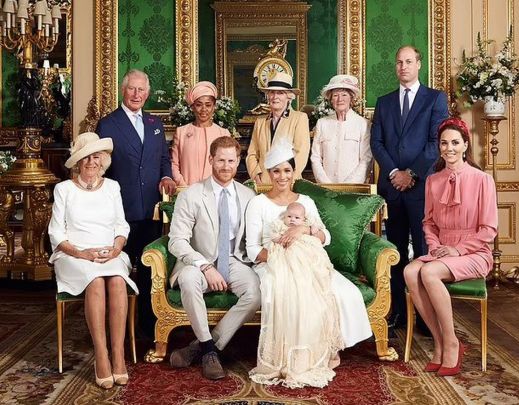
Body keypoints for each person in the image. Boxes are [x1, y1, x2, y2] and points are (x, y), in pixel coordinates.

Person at [245, 142, 372, 388]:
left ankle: (322, 351)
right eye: (276, 171)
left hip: (309, 261)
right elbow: (252, 249)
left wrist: (304, 229)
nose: (282, 176)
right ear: (269, 173)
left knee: (340, 291)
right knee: (289, 293)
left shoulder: (305, 201)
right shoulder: (258, 203)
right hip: (272, 262)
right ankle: (291, 358)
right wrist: (283, 259)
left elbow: (326, 237)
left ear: (294, 172)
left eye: (287, 170)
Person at [404, 118, 497, 376]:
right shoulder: (433, 180)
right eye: (444, 143)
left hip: (474, 252)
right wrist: (435, 247)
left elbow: (489, 229)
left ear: (465, 145)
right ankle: (439, 342)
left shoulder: (483, 180)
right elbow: (429, 223)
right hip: (442, 250)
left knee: (429, 272)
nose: (449, 148)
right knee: (410, 271)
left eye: (455, 142)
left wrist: (457, 250)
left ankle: (452, 342)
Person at [48, 132, 138, 389]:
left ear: (103, 160)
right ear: (78, 162)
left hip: (110, 253)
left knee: (117, 280)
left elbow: (121, 225)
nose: (91, 162)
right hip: (73, 254)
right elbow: (56, 233)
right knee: (96, 280)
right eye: (85, 157)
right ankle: (101, 355)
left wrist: (116, 248)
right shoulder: (64, 189)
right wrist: (82, 253)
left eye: (96, 157)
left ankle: (118, 355)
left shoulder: (112, 187)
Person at [168, 136, 260, 380]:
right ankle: (209, 351)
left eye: (231, 161)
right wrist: (205, 266)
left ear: (238, 161)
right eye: (220, 160)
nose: (226, 166)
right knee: (188, 279)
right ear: (210, 160)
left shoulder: (249, 196)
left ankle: (204, 347)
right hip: (199, 261)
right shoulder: (191, 195)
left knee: (255, 293)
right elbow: (176, 241)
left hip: (235, 260)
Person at [370, 46, 448, 330]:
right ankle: (399, 313)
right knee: (395, 252)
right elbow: (377, 142)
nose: (403, 66)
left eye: (408, 61)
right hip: (392, 188)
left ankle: (427, 318)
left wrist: (411, 174)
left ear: (418, 64)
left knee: (425, 250)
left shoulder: (435, 99)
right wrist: (394, 173)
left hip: (421, 188)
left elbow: (435, 142)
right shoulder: (384, 102)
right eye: (399, 62)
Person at [96, 69, 176, 338]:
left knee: (149, 269)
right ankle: (117, 327)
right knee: (118, 269)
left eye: (141, 90)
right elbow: (101, 168)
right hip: (120, 210)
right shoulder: (108, 124)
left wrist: (166, 176)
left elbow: (163, 159)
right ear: (123, 90)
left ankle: (148, 326)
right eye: (132, 88)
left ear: (147, 93)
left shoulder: (155, 123)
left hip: (150, 209)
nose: (136, 94)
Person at [246, 72, 310, 184]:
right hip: (263, 183)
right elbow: (252, 153)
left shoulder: (299, 118)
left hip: (288, 183)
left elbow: (301, 153)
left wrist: (288, 179)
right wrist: (256, 175)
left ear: (289, 97)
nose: (275, 97)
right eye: (272, 92)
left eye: (280, 93)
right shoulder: (260, 122)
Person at [311, 74, 373, 183]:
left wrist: (349, 186)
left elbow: (366, 159)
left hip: (353, 187)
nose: (340, 99)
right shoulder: (322, 123)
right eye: (335, 95)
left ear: (351, 98)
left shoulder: (363, 124)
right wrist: (326, 184)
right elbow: (315, 157)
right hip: (326, 187)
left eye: (344, 95)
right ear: (331, 99)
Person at [171, 81, 231, 186]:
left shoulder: (223, 133)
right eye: (199, 105)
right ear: (192, 107)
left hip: (215, 190)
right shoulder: (181, 132)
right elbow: (174, 164)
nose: (204, 109)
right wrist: (184, 186)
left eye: (208, 105)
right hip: (186, 190)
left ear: (214, 107)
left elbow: (228, 166)